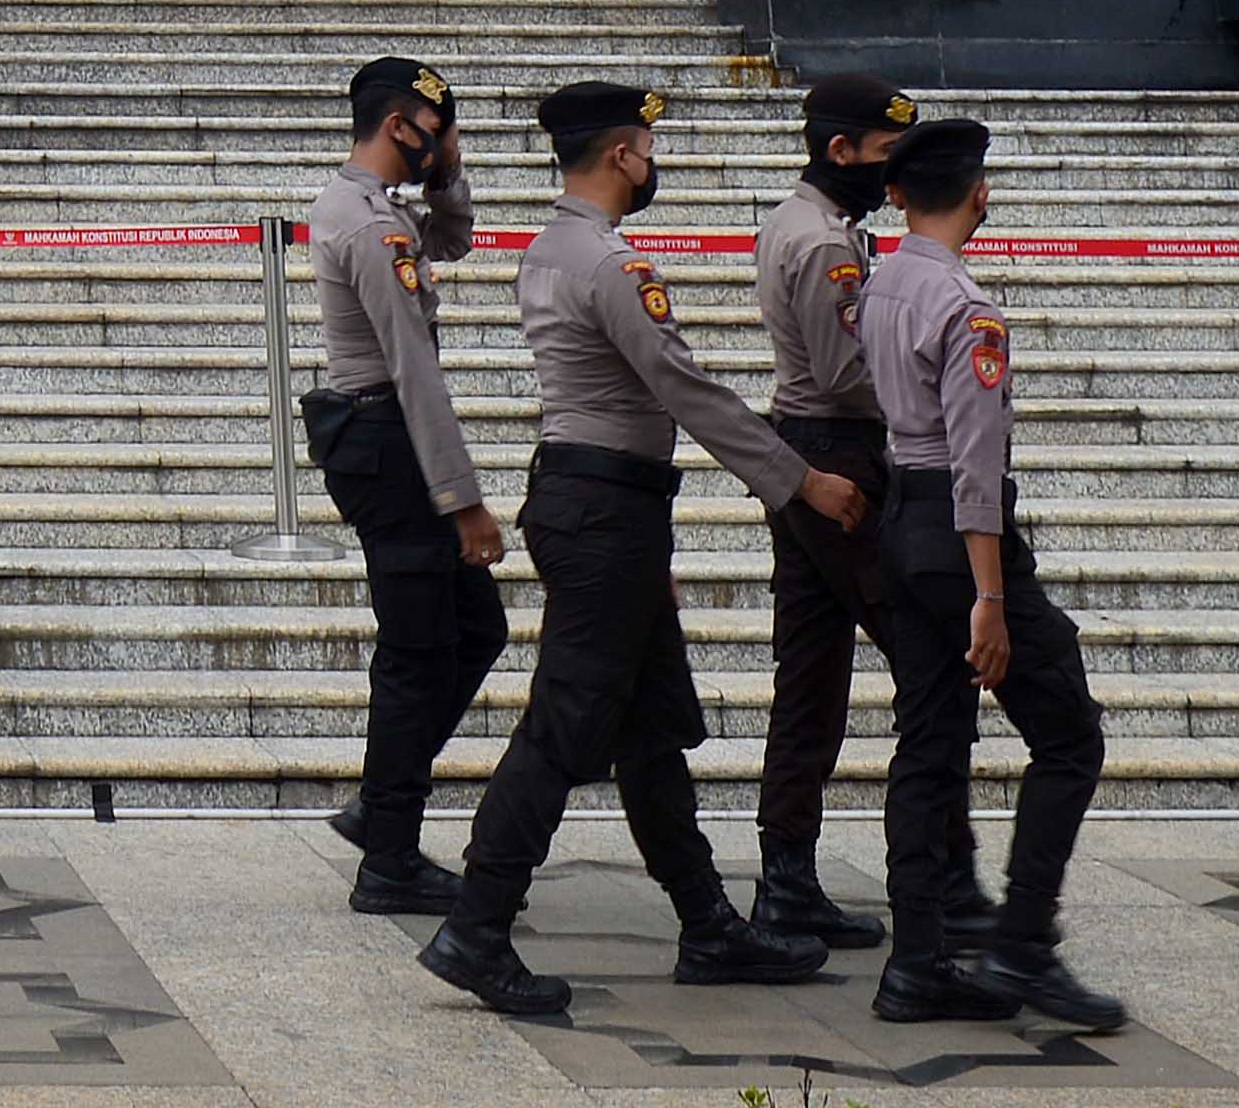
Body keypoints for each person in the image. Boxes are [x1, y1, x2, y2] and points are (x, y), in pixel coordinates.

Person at [416, 79, 864, 1024]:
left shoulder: (547, 248)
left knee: (650, 726)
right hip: (605, 513)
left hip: (599, 507)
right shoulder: (612, 266)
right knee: (565, 724)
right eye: (647, 152)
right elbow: (684, 388)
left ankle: (706, 922)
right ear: (622, 156)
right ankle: (478, 922)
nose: (652, 166)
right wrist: (799, 479)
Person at [862, 118, 1124, 1034]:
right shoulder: (967, 307)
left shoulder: (883, 283)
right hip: (956, 535)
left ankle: (916, 962)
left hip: (899, 520)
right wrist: (991, 598)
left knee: (928, 746)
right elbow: (977, 472)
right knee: (1070, 736)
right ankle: (1022, 941)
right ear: (978, 193)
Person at [747, 69, 961, 957]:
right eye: (883, 157)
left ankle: (787, 875)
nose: (892, 176)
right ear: (840, 152)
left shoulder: (806, 224)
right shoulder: (827, 245)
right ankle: (943, 872)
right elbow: (845, 374)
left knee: (811, 668)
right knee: (926, 652)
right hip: (836, 458)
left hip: (807, 449)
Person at [302, 57, 502, 914]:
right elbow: (413, 368)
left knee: (474, 626)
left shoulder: (378, 210)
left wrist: (450, 175)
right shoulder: (367, 226)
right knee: (419, 651)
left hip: (385, 434)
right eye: (436, 129)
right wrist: (464, 500)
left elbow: (450, 239)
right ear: (399, 126)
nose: (441, 143)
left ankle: (382, 798)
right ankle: (389, 856)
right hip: (387, 440)